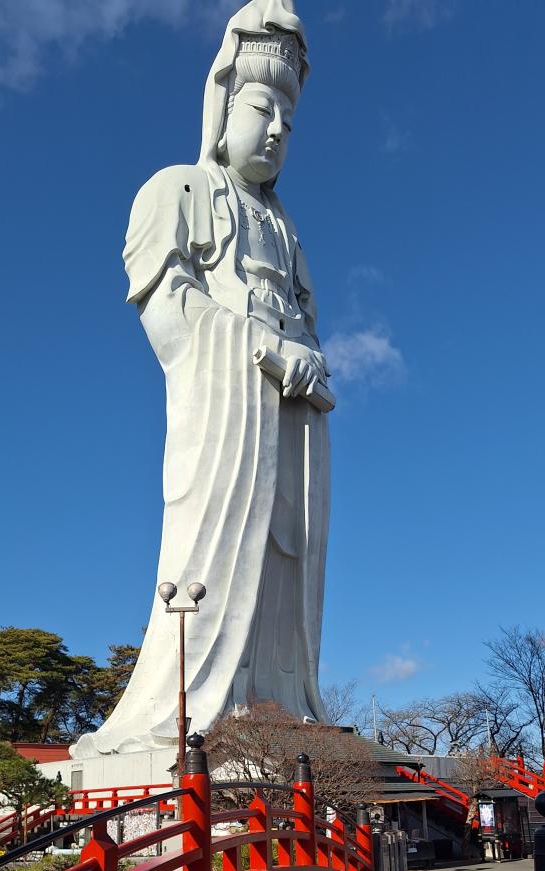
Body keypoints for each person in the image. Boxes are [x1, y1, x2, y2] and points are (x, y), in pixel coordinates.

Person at [75, 0, 331, 759]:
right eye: (262, 109)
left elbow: (309, 325)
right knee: (217, 561)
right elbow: (172, 316)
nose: (277, 130)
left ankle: (283, 705)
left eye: (289, 119)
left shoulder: (288, 232)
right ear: (222, 106)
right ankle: (197, 712)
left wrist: (304, 360)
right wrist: (266, 349)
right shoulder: (176, 190)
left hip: (289, 417)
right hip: (228, 416)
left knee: (288, 559)